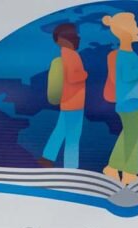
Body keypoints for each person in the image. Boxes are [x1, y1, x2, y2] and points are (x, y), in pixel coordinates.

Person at [101, 12, 138, 184]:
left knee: (128, 135)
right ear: (125, 31)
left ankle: (116, 169)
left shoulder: (127, 53)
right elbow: (126, 76)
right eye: (135, 26)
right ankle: (127, 172)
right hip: (128, 101)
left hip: (130, 100)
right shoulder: (125, 54)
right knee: (131, 136)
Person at [39, 23, 87, 169]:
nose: (78, 37)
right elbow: (73, 77)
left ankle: (47, 158)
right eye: (75, 34)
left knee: (60, 131)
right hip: (75, 103)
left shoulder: (64, 54)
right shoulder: (72, 55)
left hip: (67, 102)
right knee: (73, 138)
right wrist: (85, 74)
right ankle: (71, 168)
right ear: (64, 39)